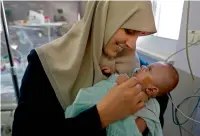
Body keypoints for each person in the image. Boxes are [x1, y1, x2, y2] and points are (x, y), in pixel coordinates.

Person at [12, 1, 169, 136]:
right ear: (104, 18)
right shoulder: (45, 65)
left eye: (139, 35)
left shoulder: (144, 72)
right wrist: (102, 115)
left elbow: (156, 119)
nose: (132, 45)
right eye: (129, 31)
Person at [65, 61, 179, 136]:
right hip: (85, 116)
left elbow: (134, 132)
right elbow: (109, 86)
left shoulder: (150, 108)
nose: (143, 66)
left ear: (151, 90)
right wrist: (111, 75)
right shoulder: (127, 78)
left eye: (148, 69)